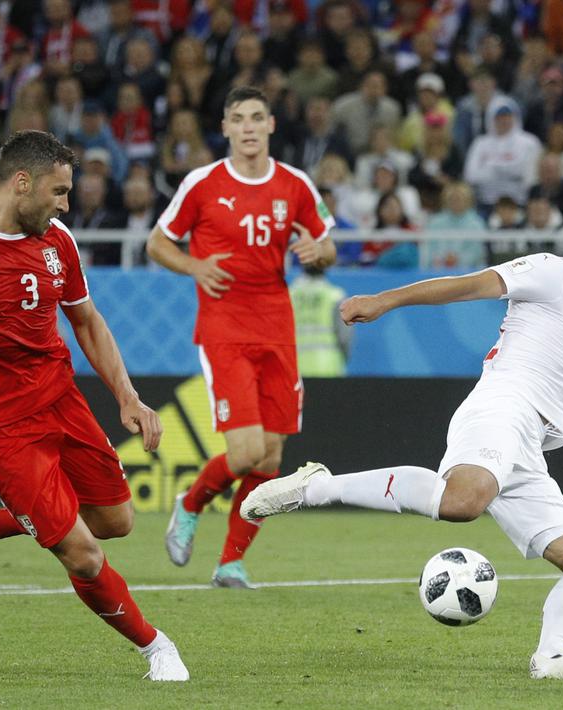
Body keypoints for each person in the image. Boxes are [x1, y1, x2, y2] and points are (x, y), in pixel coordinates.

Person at [241, 199, 563, 681]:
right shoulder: (547, 271)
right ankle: (317, 485)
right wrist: (384, 301)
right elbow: (467, 286)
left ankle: (553, 656)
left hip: (529, 448)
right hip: (502, 407)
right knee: (462, 501)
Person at [0, 130, 187, 681]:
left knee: (116, 522)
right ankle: (158, 648)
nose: (65, 204)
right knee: (82, 554)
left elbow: (85, 320)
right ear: (21, 183)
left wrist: (126, 396)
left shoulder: (57, 241)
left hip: (63, 404)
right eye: (58, 192)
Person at [146, 86, 337, 588]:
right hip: (225, 327)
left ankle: (230, 562)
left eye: (257, 117)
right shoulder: (202, 183)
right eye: (238, 119)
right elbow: (157, 241)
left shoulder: (294, 184)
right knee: (248, 451)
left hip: (277, 327)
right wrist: (193, 265)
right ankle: (190, 504)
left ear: (271, 125)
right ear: (226, 128)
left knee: (271, 458)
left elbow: (326, 243)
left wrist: (320, 254)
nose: (248, 127)